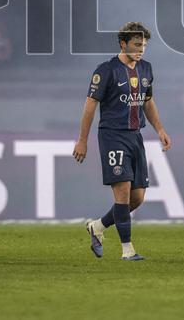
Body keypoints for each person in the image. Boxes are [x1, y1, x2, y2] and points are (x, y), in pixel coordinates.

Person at [73, 22, 172, 261]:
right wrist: (82, 140)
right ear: (123, 44)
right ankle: (128, 250)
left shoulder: (146, 68)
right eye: (136, 45)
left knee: (137, 198)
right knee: (123, 192)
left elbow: (147, 101)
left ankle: (97, 226)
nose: (141, 49)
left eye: (144, 45)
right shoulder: (106, 70)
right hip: (112, 136)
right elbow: (90, 105)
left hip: (135, 136)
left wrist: (160, 129)